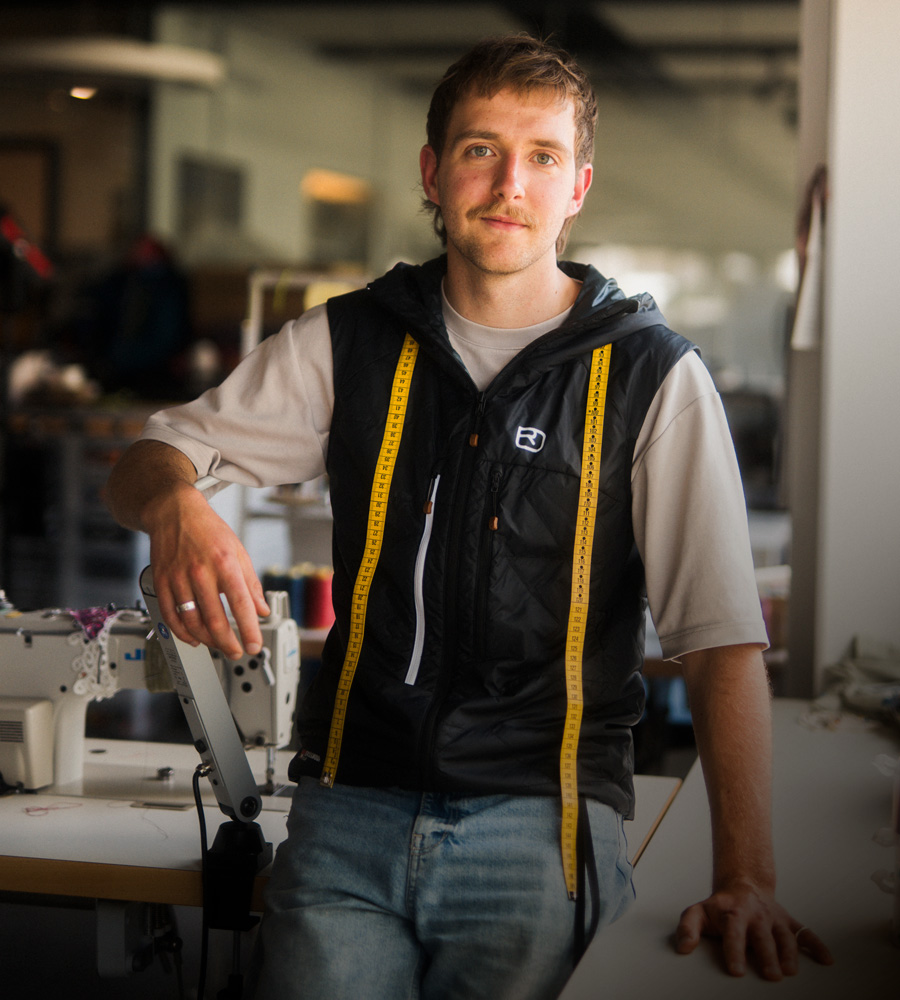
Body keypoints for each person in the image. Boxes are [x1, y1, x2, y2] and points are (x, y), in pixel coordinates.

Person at [105, 33, 832, 1000]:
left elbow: (720, 641)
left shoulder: (652, 376)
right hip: (347, 817)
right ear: (433, 173)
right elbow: (146, 460)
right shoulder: (349, 341)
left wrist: (747, 878)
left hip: (539, 832)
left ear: (577, 188)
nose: (509, 185)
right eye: (481, 149)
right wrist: (176, 506)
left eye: (542, 157)